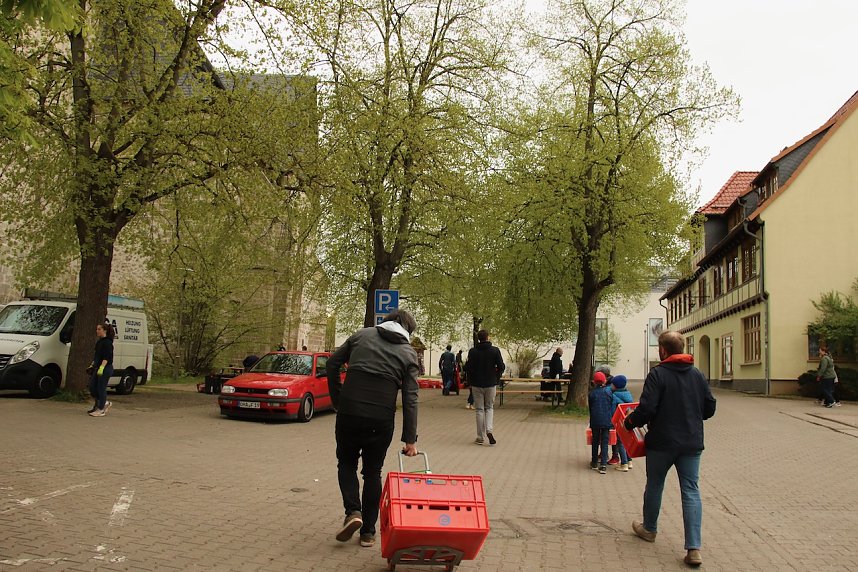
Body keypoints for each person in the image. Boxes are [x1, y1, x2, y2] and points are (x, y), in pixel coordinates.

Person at [326, 309, 420, 548]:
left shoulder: (362, 335)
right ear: (408, 331)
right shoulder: (409, 354)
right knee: (372, 471)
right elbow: (410, 397)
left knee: (346, 463)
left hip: (349, 411)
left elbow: (333, 364)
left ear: (386, 322)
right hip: (381, 419)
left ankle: (353, 512)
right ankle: (368, 532)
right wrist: (410, 439)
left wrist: (338, 399)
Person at [624, 331, 717, 568]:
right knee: (691, 490)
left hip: (662, 443)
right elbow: (709, 409)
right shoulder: (697, 374)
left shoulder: (657, 374)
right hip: (691, 443)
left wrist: (629, 422)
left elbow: (646, 409)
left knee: (655, 484)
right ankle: (694, 548)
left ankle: (649, 529)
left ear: (663, 350)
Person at [465, 329, 504, 446]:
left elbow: (468, 368)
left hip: (477, 384)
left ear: (478, 339)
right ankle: (489, 430)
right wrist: (496, 377)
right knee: (489, 408)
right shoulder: (495, 351)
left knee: (479, 410)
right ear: (488, 337)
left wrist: (470, 381)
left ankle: (480, 437)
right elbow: (501, 366)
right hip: (491, 383)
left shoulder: (472, 352)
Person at [87, 322, 114, 417]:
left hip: (106, 368)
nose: (97, 331)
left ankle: (101, 409)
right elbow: (97, 356)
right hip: (98, 367)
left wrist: (102, 368)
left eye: (99, 329)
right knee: (92, 387)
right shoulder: (99, 342)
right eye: (97, 329)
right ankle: (104, 402)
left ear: (105, 330)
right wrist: (92, 365)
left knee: (101, 388)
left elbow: (106, 357)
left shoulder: (108, 343)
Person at [588, 371, 612, 474]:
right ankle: (603, 465)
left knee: (595, 440)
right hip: (606, 420)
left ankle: (594, 462)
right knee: (605, 442)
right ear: (604, 381)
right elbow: (611, 404)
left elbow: (590, 407)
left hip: (595, 420)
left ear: (594, 381)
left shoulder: (592, 393)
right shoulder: (608, 392)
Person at [609, 375, 634, 471]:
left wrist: (611, 420)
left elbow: (612, 410)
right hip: (627, 421)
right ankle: (629, 461)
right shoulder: (628, 394)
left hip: (619, 422)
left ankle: (624, 464)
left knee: (620, 442)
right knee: (626, 442)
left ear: (616, 386)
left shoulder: (614, 396)